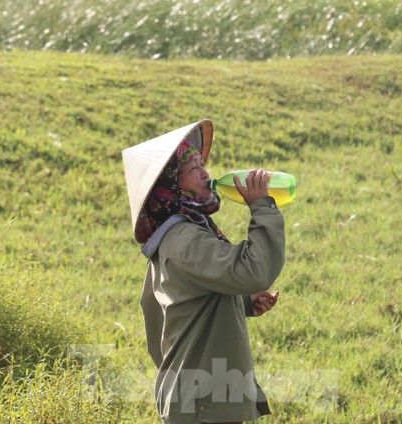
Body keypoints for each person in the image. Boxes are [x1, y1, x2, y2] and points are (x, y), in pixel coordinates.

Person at [122, 119, 286, 424]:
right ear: (169, 182)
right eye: (192, 167)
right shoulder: (186, 240)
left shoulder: (176, 236)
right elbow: (254, 270)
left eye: (202, 163)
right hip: (203, 404)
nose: (205, 172)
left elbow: (187, 305)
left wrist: (243, 304)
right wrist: (262, 207)